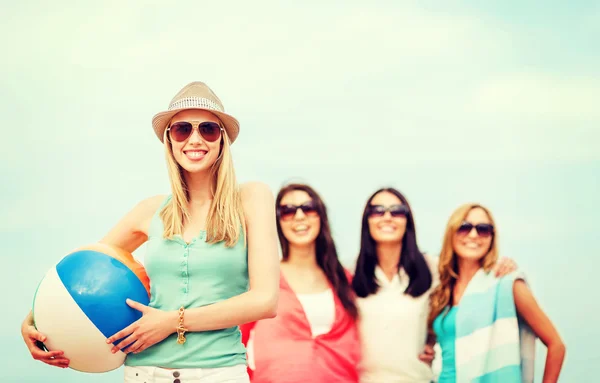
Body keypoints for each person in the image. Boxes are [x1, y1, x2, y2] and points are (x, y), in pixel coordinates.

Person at [20, 81, 280, 383]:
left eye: (208, 129)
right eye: (183, 129)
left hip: (220, 372)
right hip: (143, 373)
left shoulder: (251, 198)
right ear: (169, 140)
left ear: (222, 140)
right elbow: (84, 274)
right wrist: (33, 320)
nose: (195, 139)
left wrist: (172, 322)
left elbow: (265, 301)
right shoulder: (149, 210)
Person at [352, 188, 517, 383]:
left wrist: (499, 266)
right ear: (367, 220)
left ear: (408, 221)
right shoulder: (348, 273)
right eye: (378, 210)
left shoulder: (432, 269)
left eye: (397, 211)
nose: (388, 217)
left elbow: (457, 299)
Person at [428, 203, 565, 382]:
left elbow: (556, 345)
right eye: (464, 227)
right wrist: (427, 347)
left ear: (492, 237)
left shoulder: (506, 284)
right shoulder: (442, 288)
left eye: (483, 229)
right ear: (451, 233)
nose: (473, 235)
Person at [240, 183, 360, 383]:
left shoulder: (344, 279)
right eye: (287, 211)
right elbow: (236, 339)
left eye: (308, 208)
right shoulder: (263, 278)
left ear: (320, 216)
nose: (299, 216)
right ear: (278, 221)